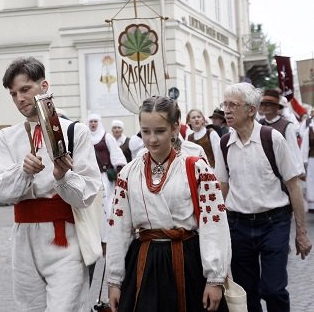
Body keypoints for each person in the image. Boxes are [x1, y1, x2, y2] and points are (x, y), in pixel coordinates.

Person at [0, 57, 102, 311]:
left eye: (25, 89)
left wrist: (63, 177)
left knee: (66, 307)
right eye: (13, 93)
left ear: (44, 86)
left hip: (64, 234)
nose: (19, 98)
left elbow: (88, 193)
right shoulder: (7, 137)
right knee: (29, 307)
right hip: (23, 237)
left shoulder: (75, 131)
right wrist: (23, 171)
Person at [107, 96, 231, 312]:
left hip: (186, 260)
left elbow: (214, 224)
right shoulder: (128, 173)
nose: (152, 139)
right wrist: (115, 280)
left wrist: (215, 278)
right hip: (144, 264)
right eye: (146, 131)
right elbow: (119, 229)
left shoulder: (196, 168)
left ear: (175, 128)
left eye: (160, 131)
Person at [214, 82, 312, 311]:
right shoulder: (224, 143)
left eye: (233, 105)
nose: (226, 110)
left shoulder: (272, 138)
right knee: (247, 293)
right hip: (238, 224)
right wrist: (216, 228)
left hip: (274, 222)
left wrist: (302, 232)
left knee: (273, 289)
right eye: (224, 104)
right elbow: (222, 186)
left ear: (251, 110)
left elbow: (294, 185)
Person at [88, 113, 127, 245]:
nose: (93, 124)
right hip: (92, 177)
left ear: (99, 122)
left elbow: (116, 154)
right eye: (91, 122)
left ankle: (109, 235)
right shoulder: (86, 137)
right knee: (96, 205)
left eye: (95, 121)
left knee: (108, 204)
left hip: (106, 177)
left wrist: (119, 171)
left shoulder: (107, 137)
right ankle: (99, 236)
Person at [258, 89, 305, 178]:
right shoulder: (259, 124)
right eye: (263, 104)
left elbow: (293, 150)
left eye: (269, 104)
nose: (265, 107)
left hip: (282, 171)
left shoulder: (287, 126)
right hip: (263, 172)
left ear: (277, 107)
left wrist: (298, 172)